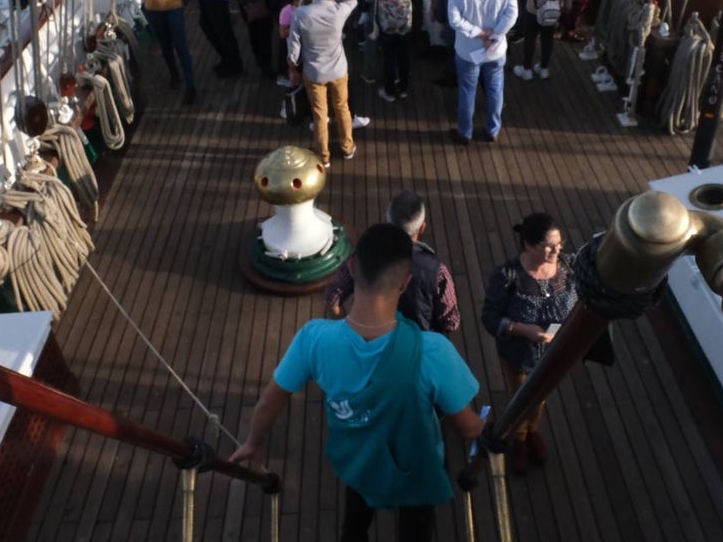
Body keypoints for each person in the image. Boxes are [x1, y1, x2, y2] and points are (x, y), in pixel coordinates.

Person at [231, 222, 484, 541]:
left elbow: (271, 400)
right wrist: (488, 430)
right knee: (416, 530)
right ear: (405, 283)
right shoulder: (434, 351)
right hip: (416, 465)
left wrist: (253, 442)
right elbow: (468, 427)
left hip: (359, 458)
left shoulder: (314, 339)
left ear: (351, 268)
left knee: (355, 521)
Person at [480, 213, 577, 474]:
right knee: (521, 396)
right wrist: (524, 330)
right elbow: (490, 318)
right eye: (549, 246)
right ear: (528, 245)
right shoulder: (507, 275)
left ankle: (532, 430)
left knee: (541, 395)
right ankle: (520, 437)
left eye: (560, 244)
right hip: (519, 354)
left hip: (554, 353)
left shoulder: (568, 268)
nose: (557, 251)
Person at [325, 190, 460, 335]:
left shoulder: (364, 254)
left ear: (388, 220)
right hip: (417, 343)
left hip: (372, 339)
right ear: (422, 227)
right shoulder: (437, 272)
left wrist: (350, 332)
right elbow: (451, 322)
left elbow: (333, 296)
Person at [447, 0, 518, 145]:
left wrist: (477, 32)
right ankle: (492, 130)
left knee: (467, 92)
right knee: (495, 90)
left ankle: (465, 133)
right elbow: (512, 13)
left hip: (467, 50)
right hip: (495, 50)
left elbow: (454, 19)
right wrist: (494, 35)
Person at [287, 0, 359, 167]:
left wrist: (293, 67)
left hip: (314, 72)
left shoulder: (301, 14)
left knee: (320, 114)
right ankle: (347, 147)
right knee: (342, 108)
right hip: (338, 70)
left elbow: (293, 48)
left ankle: (322, 155)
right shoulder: (340, 11)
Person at [126, 0, 196, 105]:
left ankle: (190, 86)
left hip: (173, 10)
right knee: (165, 46)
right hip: (154, 12)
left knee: (181, 46)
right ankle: (174, 75)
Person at [366, 0, 422, 101]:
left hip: (385, 22)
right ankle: (403, 88)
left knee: (388, 57)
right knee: (404, 55)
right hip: (404, 21)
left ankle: (389, 90)